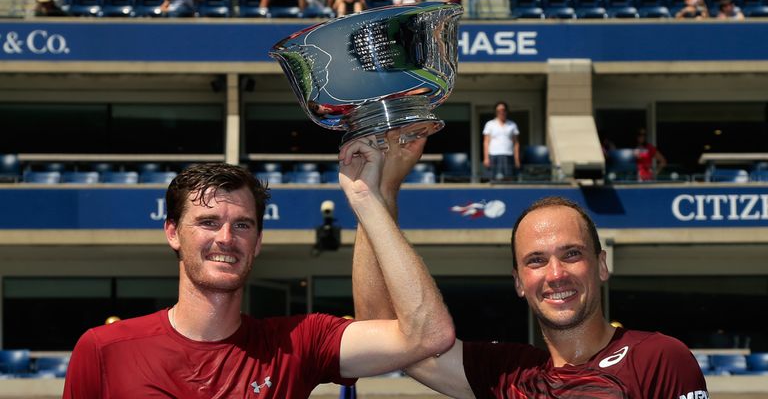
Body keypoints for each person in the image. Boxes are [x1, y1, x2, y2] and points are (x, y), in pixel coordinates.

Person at [63, 157, 455, 398]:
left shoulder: (298, 343)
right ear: (172, 232)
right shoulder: (103, 350)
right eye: (208, 222)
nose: (226, 238)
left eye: (243, 225)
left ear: (259, 241)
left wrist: (371, 196)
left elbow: (427, 335)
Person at [353, 160, 709, 399]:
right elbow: (381, 336)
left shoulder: (659, 357)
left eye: (572, 254)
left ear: (601, 265)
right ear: (519, 282)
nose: (555, 275)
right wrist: (375, 194)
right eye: (536, 261)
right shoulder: (509, 375)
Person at [482, 101, 520, 181]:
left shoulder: (512, 125)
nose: (501, 112)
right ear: (495, 112)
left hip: (508, 155)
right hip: (493, 155)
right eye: (498, 111)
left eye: (503, 110)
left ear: (506, 111)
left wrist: (517, 159)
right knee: (493, 179)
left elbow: (516, 143)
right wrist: (486, 158)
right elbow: (486, 142)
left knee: (509, 179)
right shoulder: (490, 124)